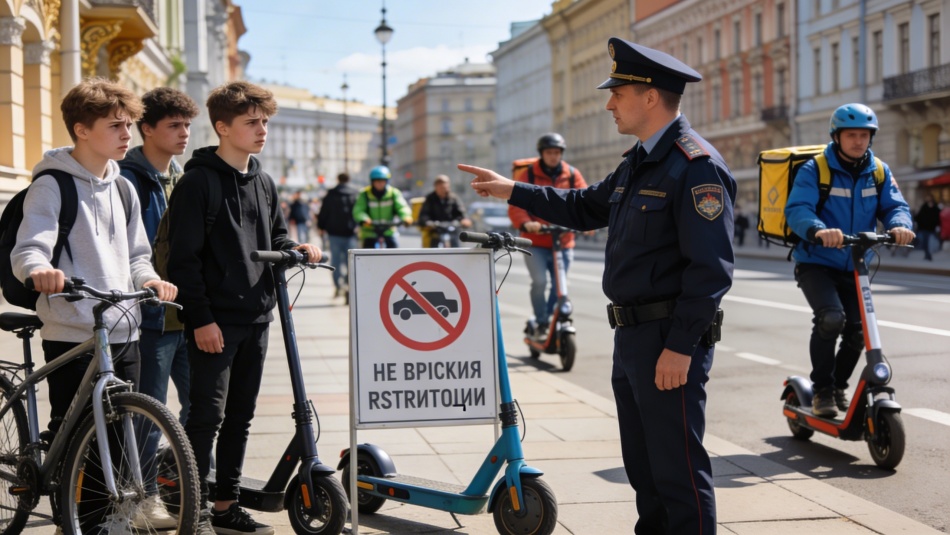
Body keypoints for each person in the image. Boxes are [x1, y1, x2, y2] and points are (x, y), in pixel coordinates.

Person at [461, 38, 734, 535]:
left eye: (618, 93)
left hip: (668, 338)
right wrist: (513, 189)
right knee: (645, 467)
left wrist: (680, 346)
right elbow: (585, 206)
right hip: (632, 337)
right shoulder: (639, 160)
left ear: (650, 97)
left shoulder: (696, 167)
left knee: (677, 469)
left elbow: (710, 271)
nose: (610, 104)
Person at [11, 78, 177, 531]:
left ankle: (107, 521)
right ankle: (75, 520)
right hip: (72, 328)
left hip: (124, 326)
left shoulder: (123, 187)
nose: (127, 134)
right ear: (82, 130)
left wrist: (150, 279)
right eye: (116, 126)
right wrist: (39, 270)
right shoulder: (52, 184)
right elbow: (29, 248)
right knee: (77, 437)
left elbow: (138, 255)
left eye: (129, 125)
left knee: (120, 437)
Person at [166, 81, 320, 535]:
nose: (262, 130)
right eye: (252, 122)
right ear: (222, 127)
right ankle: (192, 508)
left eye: (265, 121)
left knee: (240, 418)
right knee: (205, 418)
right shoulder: (197, 183)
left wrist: (295, 248)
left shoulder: (264, 181)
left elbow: (275, 236)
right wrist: (201, 319)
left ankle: (225, 506)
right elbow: (183, 261)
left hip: (257, 317)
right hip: (215, 321)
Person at [786, 103, 914, 417]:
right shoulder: (815, 169)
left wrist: (900, 226)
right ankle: (822, 391)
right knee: (831, 318)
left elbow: (895, 206)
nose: (858, 141)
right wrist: (818, 229)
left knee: (859, 331)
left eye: (864, 135)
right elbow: (798, 209)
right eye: (851, 135)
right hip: (816, 261)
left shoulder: (879, 171)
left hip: (855, 263)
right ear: (837, 136)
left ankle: (838, 387)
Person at [118, 86, 199, 529]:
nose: (184, 133)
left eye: (187, 125)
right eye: (174, 126)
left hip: (187, 314)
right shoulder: (126, 180)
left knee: (201, 407)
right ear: (146, 129)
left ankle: (179, 480)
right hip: (149, 319)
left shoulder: (183, 177)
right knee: (149, 414)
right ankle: (143, 498)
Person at [509, 133, 588, 339]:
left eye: (557, 152)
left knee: (559, 285)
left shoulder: (571, 174)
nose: (553, 156)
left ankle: (553, 319)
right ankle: (542, 320)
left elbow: (585, 200)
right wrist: (526, 223)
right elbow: (516, 203)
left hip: (563, 242)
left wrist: (589, 222)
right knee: (540, 282)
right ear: (541, 154)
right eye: (549, 152)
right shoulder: (529, 175)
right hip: (535, 242)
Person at [316, 172, 359, 297]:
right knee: (350, 261)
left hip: (333, 233)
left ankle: (338, 286)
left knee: (335, 261)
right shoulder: (355, 194)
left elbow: (324, 211)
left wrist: (321, 227)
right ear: (348, 179)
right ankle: (348, 284)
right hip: (350, 233)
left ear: (338, 180)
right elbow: (358, 212)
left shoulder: (331, 194)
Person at [353, 165, 413, 248]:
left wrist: (406, 217)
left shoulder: (393, 193)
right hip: (370, 231)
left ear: (387, 181)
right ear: (372, 182)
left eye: (382, 181)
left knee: (394, 251)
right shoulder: (364, 194)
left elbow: (402, 207)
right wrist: (364, 219)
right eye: (377, 181)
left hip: (388, 230)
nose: (380, 183)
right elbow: (359, 210)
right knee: (367, 253)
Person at [417, 174, 471, 247]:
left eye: (445, 186)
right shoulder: (430, 199)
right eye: (440, 186)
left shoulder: (453, 198)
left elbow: (461, 212)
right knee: (433, 248)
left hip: (452, 229)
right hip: (436, 230)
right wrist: (427, 222)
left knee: (456, 246)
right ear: (436, 187)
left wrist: (464, 220)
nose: (443, 189)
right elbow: (424, 214)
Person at [914, 195, 940, 261]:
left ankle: (929, 254)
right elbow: (919, 217)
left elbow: (938, 218)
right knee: (925, 242)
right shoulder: (924, 207)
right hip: (924, 228)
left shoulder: (936, 208)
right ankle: (927, 254)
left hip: (932, 228)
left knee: (931, 242)